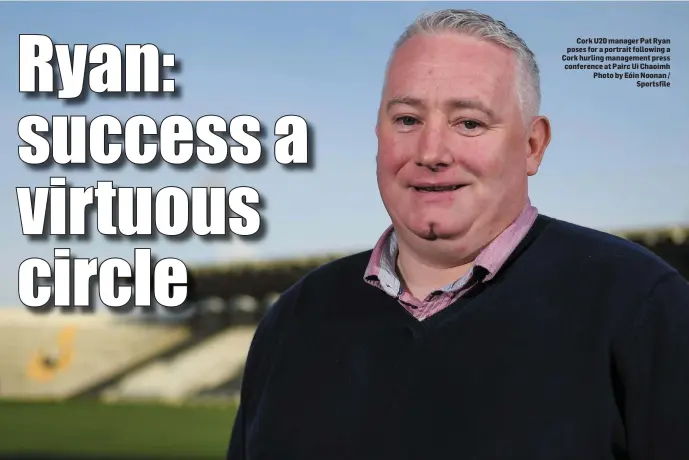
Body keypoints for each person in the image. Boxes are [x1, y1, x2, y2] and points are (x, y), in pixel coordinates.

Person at [227, 9, 689, 459]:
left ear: (533, 145)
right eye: (407, 120)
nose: (431, 152)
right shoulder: (292, 320)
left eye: (469, 123)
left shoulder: (642, 307)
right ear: (379, 135)